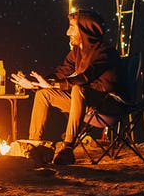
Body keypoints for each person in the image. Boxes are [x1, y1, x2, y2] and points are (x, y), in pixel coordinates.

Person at [11, 9, 126, 165]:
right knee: (43, 94)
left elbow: (86, 77)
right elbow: (61, 72)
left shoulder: (105, 52)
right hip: (85, 104)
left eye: (72, 27)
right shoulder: (77, 52)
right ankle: (34, 145)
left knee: (78, 88)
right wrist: (37, 84)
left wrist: (54, 85)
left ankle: (67, 148)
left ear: (84, 30)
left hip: (108, 107)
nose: (67, 32)